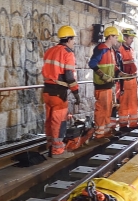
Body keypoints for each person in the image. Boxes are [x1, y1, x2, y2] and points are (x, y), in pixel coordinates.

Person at [41, 26, 80, 155]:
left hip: (47, 90)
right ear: (68, 39)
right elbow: (69, 76)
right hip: (59, 93)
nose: (74, 42)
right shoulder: (67, 53)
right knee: (59, 120)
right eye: (73, 39)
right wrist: (76, 93)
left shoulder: (50, 50)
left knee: (49, 119)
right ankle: (58, 149)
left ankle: (50, 144)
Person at [89, 25, 123, 139]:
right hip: (102, 85)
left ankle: (106, 132)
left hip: (108, 85)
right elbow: (92, 64)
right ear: (110, 37)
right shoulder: (101, 49)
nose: (117, 39)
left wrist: (121, 74)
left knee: (108, 109)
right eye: (116, 37)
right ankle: (99, 134)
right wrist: (102, 75)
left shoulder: (110, 50)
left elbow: (113, 66)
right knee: (102, 110)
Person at [118, 27, 138, 129]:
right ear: (125, 38)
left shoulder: (131, 49)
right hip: (125, 80)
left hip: (133, 79)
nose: (132, 40)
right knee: (124, 102)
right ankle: (123, 124)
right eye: (131, 38)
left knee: (133, 102)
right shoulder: (120, 50)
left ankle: (133, 123)